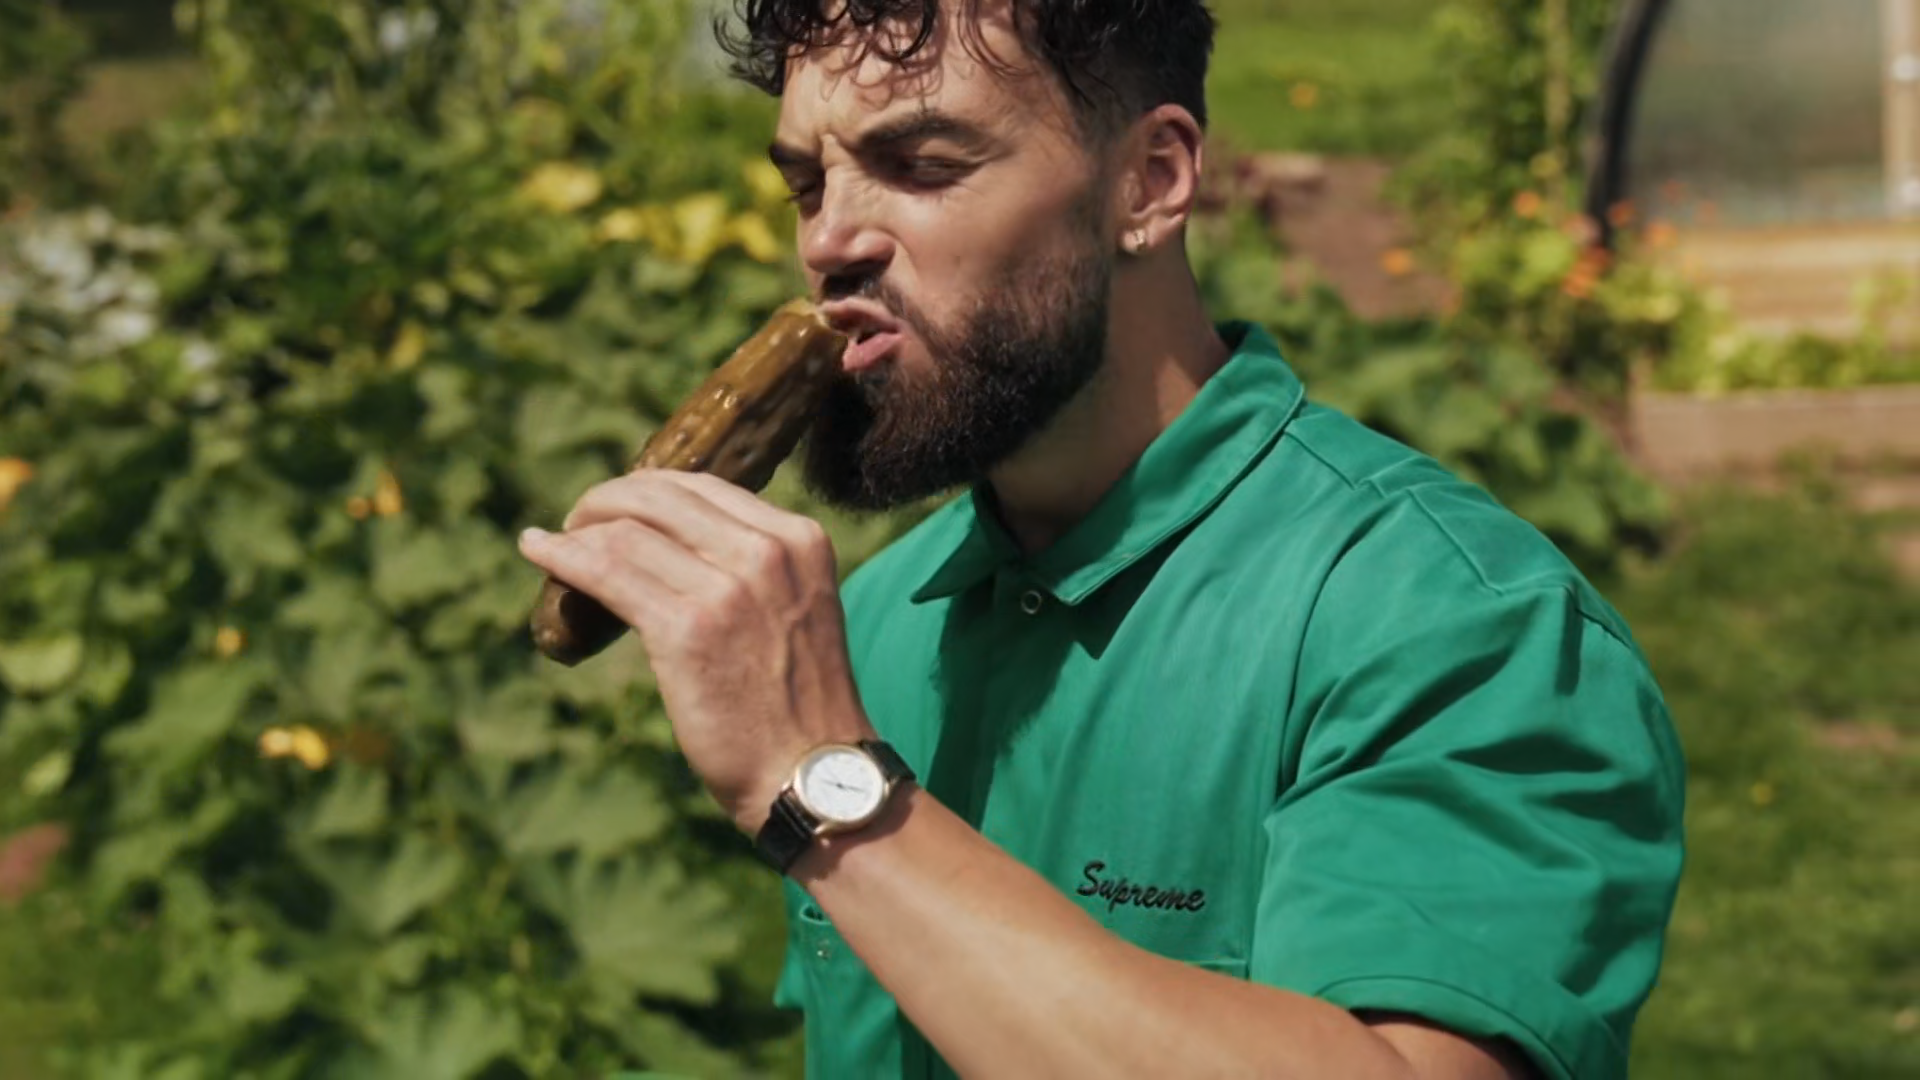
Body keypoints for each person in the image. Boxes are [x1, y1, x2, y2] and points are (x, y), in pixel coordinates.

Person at [516, 1, 1687, 1076]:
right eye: (808, 184)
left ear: (1150, 183)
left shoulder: (1454, 629)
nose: (831, 241)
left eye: (920, 165)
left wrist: (830, 789)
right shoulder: (873, 626)